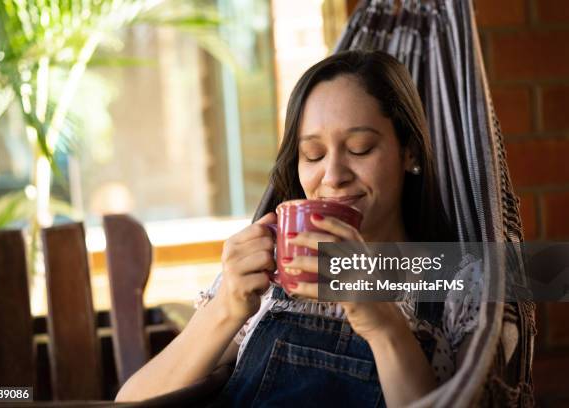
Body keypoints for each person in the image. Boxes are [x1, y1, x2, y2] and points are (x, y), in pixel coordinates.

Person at [115, 50, 482, 407]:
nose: (334, 177)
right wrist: (226, 309)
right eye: (314, 155)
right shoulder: (267, 274)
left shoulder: (459, 285)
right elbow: (131, 403)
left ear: (410, 151)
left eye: (360, 148)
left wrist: (383, 325)